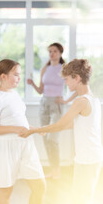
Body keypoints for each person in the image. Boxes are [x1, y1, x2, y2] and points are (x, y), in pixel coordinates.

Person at [21, 59, 103, 204]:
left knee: (80, 201)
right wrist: (44, 130)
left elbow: (60, 124)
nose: (65, 83)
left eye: (66, 79)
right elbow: (74, 125)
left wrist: (36, 130)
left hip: (88, 158)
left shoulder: (81, 101)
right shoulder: (93, 99)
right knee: (81, 200)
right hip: (91, 157)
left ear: (77, 77)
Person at [0, 59, 46, 204]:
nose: (19, 78)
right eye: (16, 75)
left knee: (40, 186)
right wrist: (15, 130)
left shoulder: (14, 94)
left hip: (25, 145)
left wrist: (32, 128)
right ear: (3, 76)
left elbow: (17, 119)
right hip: (5, 148)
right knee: (6, 191)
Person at [27, 42, 74, 179]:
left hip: (57, 105)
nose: (51, 54)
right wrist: (33, 84)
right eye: (50, 51)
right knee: (45, 138)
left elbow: (76, 86)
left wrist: (66, 101)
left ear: (60, 53)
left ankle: (57, 170)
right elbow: (41, 90)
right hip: (44, 104)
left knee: (53, 139)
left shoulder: (64, 69)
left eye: (54, 51)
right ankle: (53, 170)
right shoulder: (45, 69)